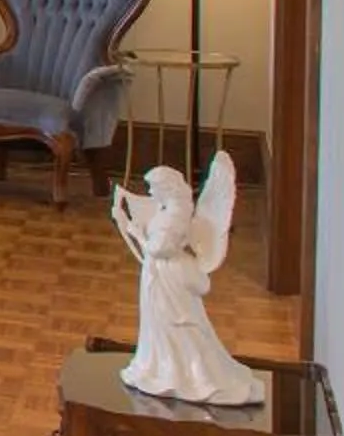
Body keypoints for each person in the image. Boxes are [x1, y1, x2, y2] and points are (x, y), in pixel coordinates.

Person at [110, 155, 265, 407]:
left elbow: (159, 248)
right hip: (162, 273)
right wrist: (126, 220)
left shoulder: (175, 217)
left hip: (169, 277)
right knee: (161, 324)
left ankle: (187, 374)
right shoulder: (172, 210)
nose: (150, 192)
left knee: (174, 322)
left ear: (166, 188)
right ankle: (164, 367)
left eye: (153, 188)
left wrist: (135, 232)